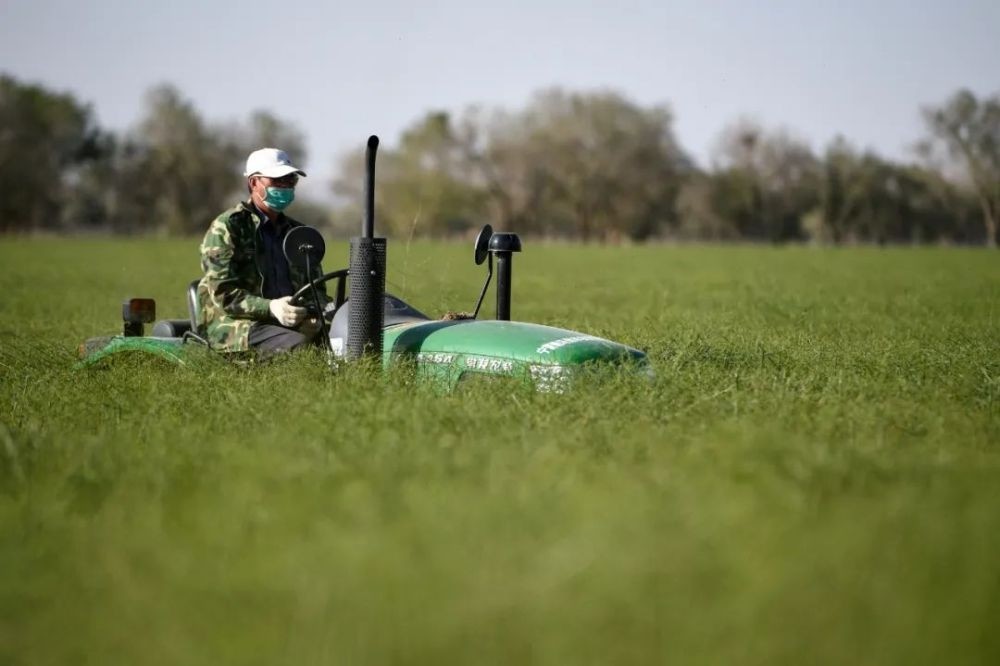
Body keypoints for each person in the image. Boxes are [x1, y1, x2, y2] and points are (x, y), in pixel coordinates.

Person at [197, 148, 328, 356]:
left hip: (291, 325)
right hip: (236, 327)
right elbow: (224, 295)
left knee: (348, 340)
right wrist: (271, 308)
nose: (285, 186)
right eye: (277, 180)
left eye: (290, 180)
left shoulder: (299, 233)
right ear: (254, 183)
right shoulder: (228, 227)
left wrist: (314, 315)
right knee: (301, 347)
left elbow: (317, 289)